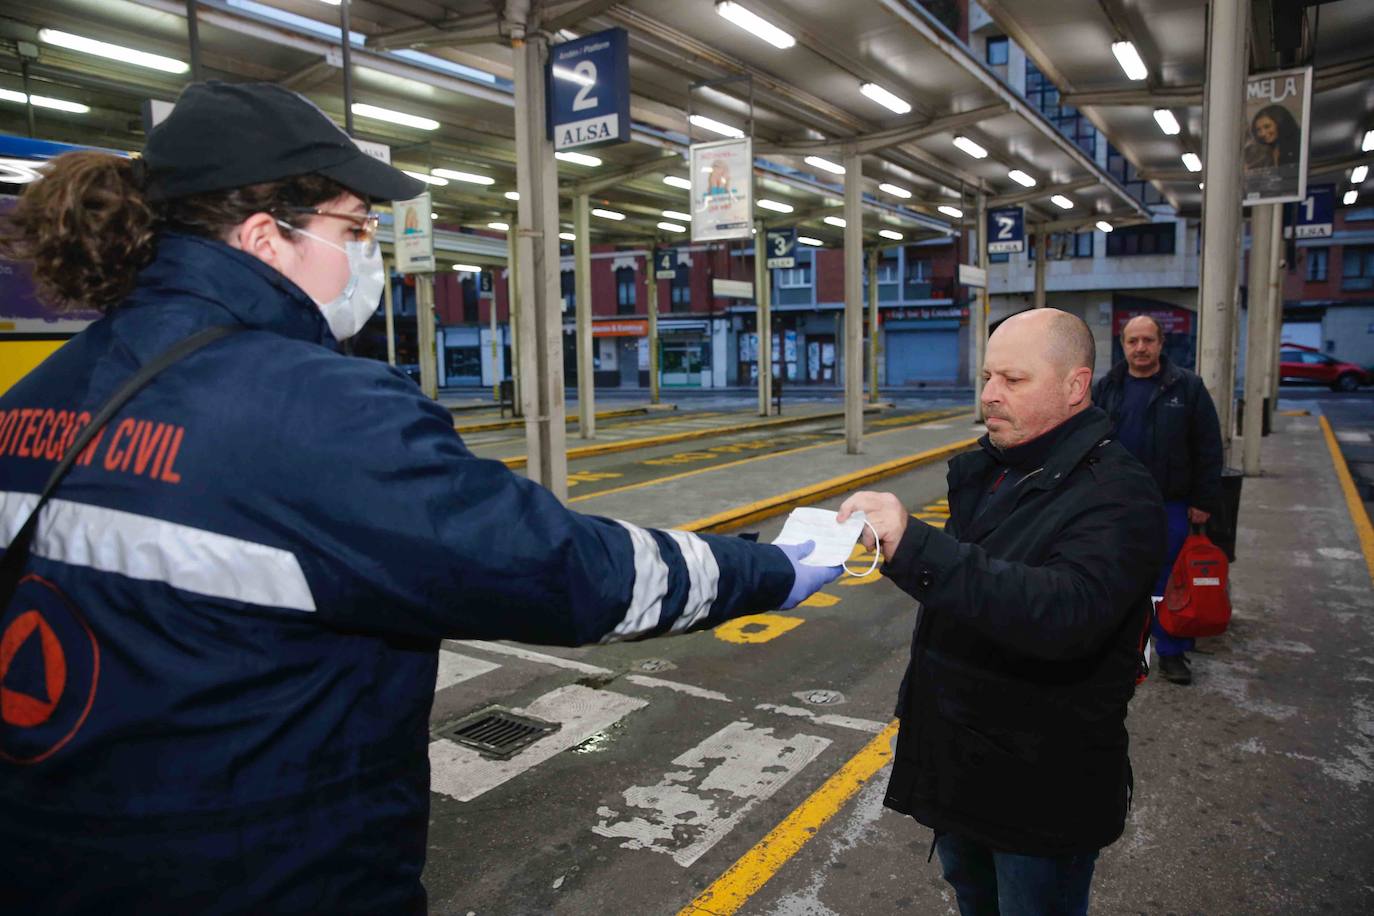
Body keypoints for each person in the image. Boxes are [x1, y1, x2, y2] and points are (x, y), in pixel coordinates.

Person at [0, 82, 840, 914]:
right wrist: (765, 571)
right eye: (355, 228)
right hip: (265, 874)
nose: (373, 252)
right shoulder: (320, 412)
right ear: (265, 237)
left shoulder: (36, 399)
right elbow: (557, 568)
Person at [838, 309, 1165, 916]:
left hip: (1041, 791)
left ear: (1074, 386)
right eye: (987, 377)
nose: (989, 395)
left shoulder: (1119, 493)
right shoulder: (992, 469)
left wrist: (918, 547)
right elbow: (977, 596)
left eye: (1013, 380)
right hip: (965, 770)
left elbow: (1063, 614)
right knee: (973, 896)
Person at [1092, 314, 1223, 685]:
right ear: (1123, 344)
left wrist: (1204, 499)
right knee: (1117, 575)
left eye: (1148, 340)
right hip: (1118, 504)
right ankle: (1125, 650)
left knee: (1170, 582)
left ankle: (1171, 652)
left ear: (1161, 343)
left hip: (1173, 503)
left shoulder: (1187, 387)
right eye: (1133, 341)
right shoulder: (1108, 388)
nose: (1141, 348)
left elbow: (1208, 447)